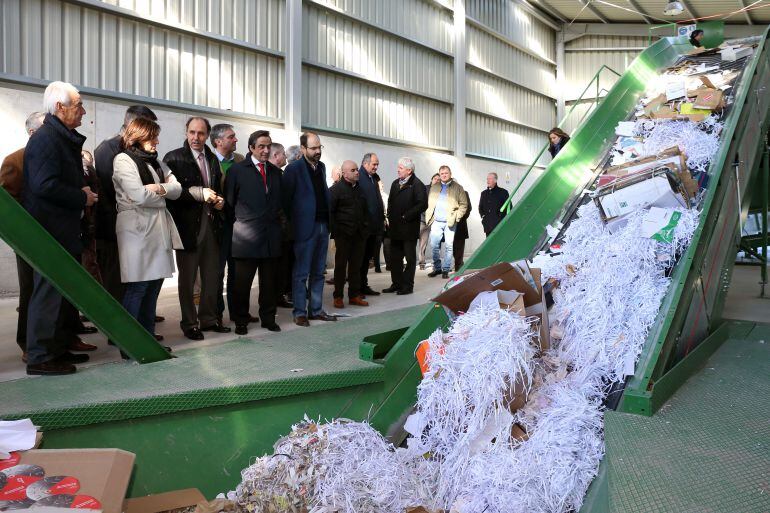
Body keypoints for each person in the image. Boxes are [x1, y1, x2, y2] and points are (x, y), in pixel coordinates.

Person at [23, 81, 98, 375]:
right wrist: (82, 195)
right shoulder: (46, 140)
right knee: (47, 293)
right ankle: (40, 357)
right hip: (50, 231)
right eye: (78, 104)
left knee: (60, 293)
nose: (82, 110)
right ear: (59, 108)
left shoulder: (58, 137)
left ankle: (57, 348)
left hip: (61, 228)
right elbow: (44, 185)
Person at [113, 118, 182, 341]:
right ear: (139, 136)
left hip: (156, 229)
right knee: (138, 287)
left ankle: (147, 337)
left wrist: (159, 188)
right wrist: (164, 196)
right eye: (152, 137)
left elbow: (178, 189)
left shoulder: (156, 162)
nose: (157, 141)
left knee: (153, 287)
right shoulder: (123, 160)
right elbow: (139, 195)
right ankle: (130, 341)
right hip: (138, 232)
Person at [164, 117, 229, 340]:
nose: (195, 137)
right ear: (186, 132)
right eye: (192, 132)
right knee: (188, 279)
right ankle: (190, 323)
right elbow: (172, 194)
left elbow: (217, 187)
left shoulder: (211, 158)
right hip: (187, 228)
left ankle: (209, 320)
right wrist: (199, 193)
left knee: (212, 276)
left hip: (211, 224)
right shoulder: (173, 158)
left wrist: (220, 201)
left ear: (207, 135)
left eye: (200, 133)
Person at [94, 105, 159, 315]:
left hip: (141, 228)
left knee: (140, 283)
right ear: (135, 125)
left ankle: (140, 322)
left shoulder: (140, 151)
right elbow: (107, 193)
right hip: (115, 229)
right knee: (118, 283)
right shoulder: (109, 149)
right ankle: (121, 331)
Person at [225, 130, 283, 335]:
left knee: (269, 284)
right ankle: (241, 320)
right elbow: (229, 204)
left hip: (270, 238)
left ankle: (268, 318)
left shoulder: (277, 173)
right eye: (261, 146)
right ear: (250, 148)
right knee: (242, 285)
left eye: (268, 146)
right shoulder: (237, 171)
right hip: (245, 238)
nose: (266, 150)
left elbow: (280, 204)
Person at [0, 111, 45, 361]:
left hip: (55, 236)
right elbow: (7, 207)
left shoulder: (53, 158)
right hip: (30, 239)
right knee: (30, 291)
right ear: (32, 133)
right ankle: (28, 343)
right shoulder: (14, 161)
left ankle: (57, 340)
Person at [282, 131, 336, 326]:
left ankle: (316, 309)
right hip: (305, 228)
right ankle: (299, 312)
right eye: (313, 148)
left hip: (323, 226)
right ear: (303, 149)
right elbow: (286, 202)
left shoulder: (320, 167)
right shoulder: (293, 169)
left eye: (319, 147)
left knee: (318, 272)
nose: (317, 151)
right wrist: (294, 227)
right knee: (301, 273)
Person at [209, 123, 251, 327]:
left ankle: (238, 313)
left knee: (238, 272)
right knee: (217, 273)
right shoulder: (209, 162)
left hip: (240, 226)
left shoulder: (242, 161)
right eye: (231, 137)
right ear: (218, 141)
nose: (236, 140)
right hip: (217, 226)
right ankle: (216, 315)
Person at [383, 158, 427, 295]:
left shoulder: (417, 184)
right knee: (395, 258)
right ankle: (396, 284)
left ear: (409, 170)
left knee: (409, 259)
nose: (398, 170)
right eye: (398, 167)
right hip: (395, 228)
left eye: (401, 168)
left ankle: (407, 286)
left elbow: (422, 204)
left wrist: (406, 216)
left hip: (408, 228)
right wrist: (389, 216)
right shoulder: (395, 184)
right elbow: (390, 202)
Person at [330, 160, 370, 308]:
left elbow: (366, 211)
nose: (356, 172)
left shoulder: (360, 189)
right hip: (343, 235)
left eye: (356, 170)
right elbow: (331, 214)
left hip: (359, 235)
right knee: (340, 267)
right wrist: (337, 232)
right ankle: (338, 296)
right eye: (353, 170)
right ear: (344, 173)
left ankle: (354, 295)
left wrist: (365, 229)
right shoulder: (335, 190)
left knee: (356, 267)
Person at [425, 166, 468, 279]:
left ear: (450, 173)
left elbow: (464, 204)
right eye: (442, 173)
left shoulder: (458, 188)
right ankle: (438, 268)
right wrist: (429, 216)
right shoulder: (434, 187)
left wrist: (456, 217)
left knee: (449, 246)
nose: (444, 175)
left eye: (446, 173)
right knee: (434, 245)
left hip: (450, 222)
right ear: (439, 174)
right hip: (436, 222)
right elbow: (429, 202)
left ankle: (446, 269)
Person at [357, 153, 384, 297]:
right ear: (365, 163)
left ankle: (363, 284)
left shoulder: (373, 178)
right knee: (360, 259)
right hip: (364, 227)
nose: (376, 167)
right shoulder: (359, 177)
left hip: (374, 227)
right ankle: (357, 288)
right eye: (374, 164)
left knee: (367, 258)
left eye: (377, 164)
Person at [270, 142, 293, 309]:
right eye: (283, 154)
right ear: (276, 156)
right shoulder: (273, 176)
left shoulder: (280, 174)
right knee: (275, 268)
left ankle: (278, 295)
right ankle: (274, 297)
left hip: (283, 229)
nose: (286, 157)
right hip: (276, 229)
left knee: (282, 267)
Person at [419, 173, 440, 270]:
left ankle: (423, 262)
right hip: (421, 220)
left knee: (425, 243)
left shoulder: (440, 191)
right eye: (435, 179)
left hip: (432, 221)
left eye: (438, 180)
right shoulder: (424, 188)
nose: (436, 180)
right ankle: (408, 261)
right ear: (431, 180)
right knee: (414, 242)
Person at [479, 172, 508, 237]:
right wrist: (483, 216)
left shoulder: (503, 192)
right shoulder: (483, 193)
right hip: (488, 226)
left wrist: (500, 218)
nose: (487, 181)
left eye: (490, 179)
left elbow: (508, 207)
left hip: (499, 226)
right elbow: (480, 207)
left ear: (495, 180)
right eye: (487, 179)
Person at [453, 190, 472, 272]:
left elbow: (468, 207)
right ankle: (458, 263)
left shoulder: (464, 193)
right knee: (452, 247)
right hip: (449, 224)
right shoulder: (445, 193)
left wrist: (462, 217)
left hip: (460, 224)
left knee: (459, 246)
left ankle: (458, 266)